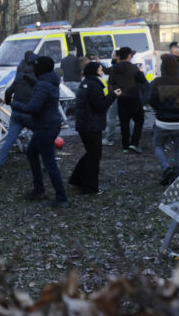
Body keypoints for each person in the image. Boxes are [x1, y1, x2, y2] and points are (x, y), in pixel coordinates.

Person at [10, 56, 68, 208]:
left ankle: (61, 198)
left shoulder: (43, 85)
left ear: (40, 69)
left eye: (35, 66)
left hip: (45, 127)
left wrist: (15, 105)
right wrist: (33, 83)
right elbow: (44, 92)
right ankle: (38, 189)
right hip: (49, 125)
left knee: (49, 162)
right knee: (31, 153)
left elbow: (33, 108)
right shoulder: (51, 80)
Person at [68, 62, 120, 195]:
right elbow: (100, 105)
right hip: (91, 125)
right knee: (94, 156)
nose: (102, 71)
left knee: (91, 153)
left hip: (84, 124)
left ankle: (76, 179)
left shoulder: (85, 83)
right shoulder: (94, 85)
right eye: (101, 69)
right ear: (96, 71)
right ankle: (90, 187)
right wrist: (113, 95)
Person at [149, 54, 179, 186]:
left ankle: (166, 167)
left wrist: (159, 109)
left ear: (163, 67)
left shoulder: (157, 82)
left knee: (158, 145)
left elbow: (152, 100)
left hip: (162, 121)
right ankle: (176, 174)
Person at [0, 51, 37, 182]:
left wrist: (10, 102)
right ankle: (46, 164)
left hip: (16, 113)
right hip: (30, 113)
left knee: (9, 141)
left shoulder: (18, 77)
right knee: (41, 137)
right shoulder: (37, 79)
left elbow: (8, 92)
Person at [108, 47, 147, 154]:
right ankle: (134, 143)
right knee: (139, 119)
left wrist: (113, 96)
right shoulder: (133, 68)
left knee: (124, 122)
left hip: (121, 97)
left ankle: (125, 146)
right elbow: (143, 81)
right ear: (129, 56)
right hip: (133, 97)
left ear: (119, 56)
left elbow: (110, 83)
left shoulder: (115, 68)